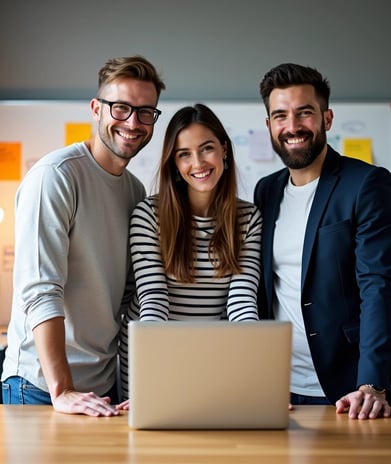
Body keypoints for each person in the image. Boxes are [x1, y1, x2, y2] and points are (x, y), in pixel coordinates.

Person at [1, 55, 166, 416]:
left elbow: (127, 299)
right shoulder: (56, 176)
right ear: (96, 109)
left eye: (145, 112)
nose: (133, 122)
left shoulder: (135, 193)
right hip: (42, 387)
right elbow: (40, 289)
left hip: (103, 388)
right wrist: (63, 389)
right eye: (121, 108)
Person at [253, 63, 391, 419]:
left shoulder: (366, 185)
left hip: (351, 390)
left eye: (305, 113)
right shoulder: (265, 191)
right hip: (277, 388)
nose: (293, 126)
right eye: (280, 115)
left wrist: (373, 383)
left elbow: (378, 286)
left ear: (327, 118)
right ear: (269, 125)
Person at [119, 103, 262, 402]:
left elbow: (242, 300)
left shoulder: (248, 217)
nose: (197, 163)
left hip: (213, 358)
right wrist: (148, 379)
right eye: (184, 154)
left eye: (206, 148)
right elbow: (154, 300)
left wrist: (258, 376)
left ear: (224, 149)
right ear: (174, 163)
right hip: (152, 354)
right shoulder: (149, 214)